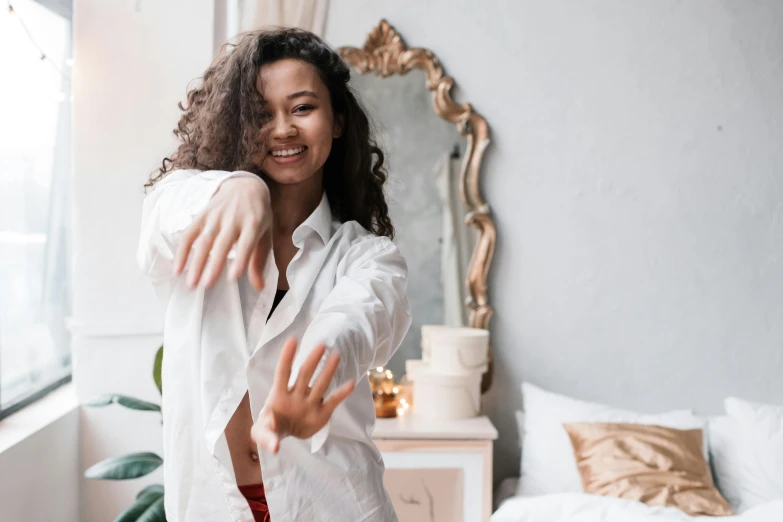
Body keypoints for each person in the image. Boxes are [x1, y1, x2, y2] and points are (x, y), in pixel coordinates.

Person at [137, 27, 411, 522]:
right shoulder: (188, 207)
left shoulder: (369, 257)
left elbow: (355, 321)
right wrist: (237, 188)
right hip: (215, 506)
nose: (282, 128)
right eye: (261, 115)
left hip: (331, 505)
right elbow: (161, 219)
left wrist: (313, 377)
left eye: (302, 108)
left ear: (338, 120)